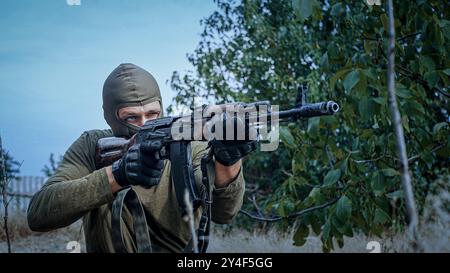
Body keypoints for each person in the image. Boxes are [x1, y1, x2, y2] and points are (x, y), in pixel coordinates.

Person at [27, 63, 257, 253]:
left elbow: (224, 214)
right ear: (111, 116)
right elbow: (39, 215)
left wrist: (228, 162)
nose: (144, 124)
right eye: (131, 117)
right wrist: (117, 174)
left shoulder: (191, 147)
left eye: (152, 114)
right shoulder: (91, 145)